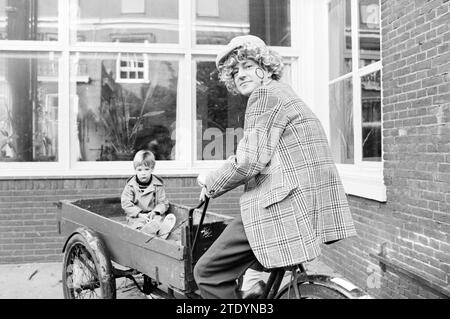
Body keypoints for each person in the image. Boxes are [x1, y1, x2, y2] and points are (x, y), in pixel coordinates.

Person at [194, 35, 357, 299]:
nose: (240, 75)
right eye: (234, 71)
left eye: (247, 66)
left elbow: (249, 160)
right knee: (253, 276)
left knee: (207, 273)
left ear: (265, 67)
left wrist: (209, 182)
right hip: (304, 204)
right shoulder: (286, 93)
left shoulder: (265, 95)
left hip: (280, 209)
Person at [121, 150, 176, 239]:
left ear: (152, 169)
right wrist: (139, 214)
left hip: (152, 214)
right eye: (139, 170)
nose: (143, 173)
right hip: (137, 215)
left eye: (146, 169)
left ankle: (161, 231)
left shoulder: (157, 185)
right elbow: (126, 203)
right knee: (138, 224)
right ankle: (144, 231)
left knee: (158, 220)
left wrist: (155, 211)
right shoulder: (130, 186)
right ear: (135, 170)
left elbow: (163, 203)